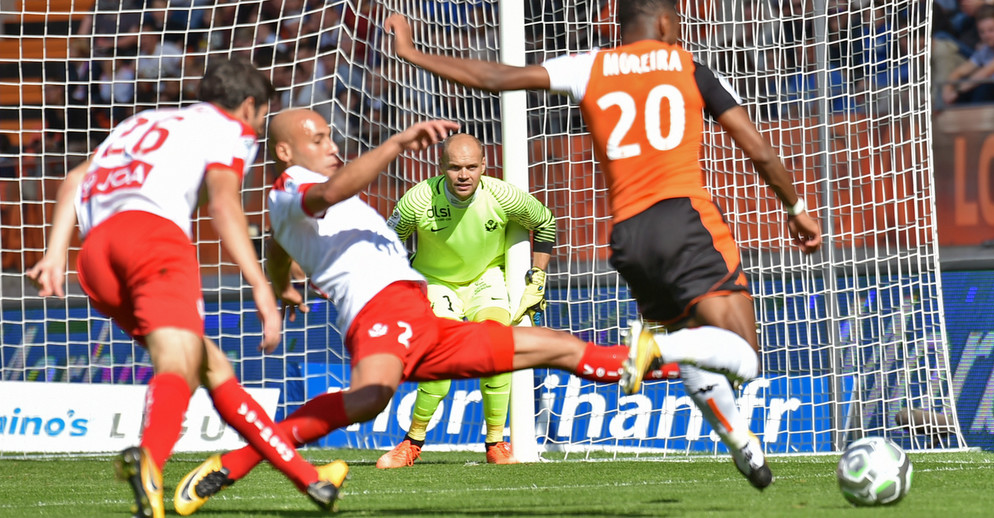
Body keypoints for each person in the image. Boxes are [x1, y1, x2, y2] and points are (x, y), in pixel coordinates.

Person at [171, 107, 743, 515]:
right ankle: (237, 462)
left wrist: (281, 286)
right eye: (318, 138)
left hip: (424, 318)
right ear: (286, 152)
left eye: (330, 137)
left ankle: (679, 365)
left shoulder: (291, 205)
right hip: (383, 314)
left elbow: (278, 243)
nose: (332, 145)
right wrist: (396, 144)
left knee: (553, 347)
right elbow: (326, 195)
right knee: (370, 401)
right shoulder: (296, 187)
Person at [384, 0, 822, 490]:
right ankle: (656, 348)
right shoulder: (687, 67)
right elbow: (755, 146)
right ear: (663, 21)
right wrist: (795, 205)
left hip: (630, 237)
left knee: (696, 351)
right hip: (686, 221)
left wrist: (412, 52)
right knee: (739, 351)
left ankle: (742, 445)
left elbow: (494, 77)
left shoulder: (589, 66)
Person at [25, 59, 348, 518]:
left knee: (209, 364)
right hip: (151, 241)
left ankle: (307, 478)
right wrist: (259, 283)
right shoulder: (230, 130)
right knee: (179, 360)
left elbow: (76, 179)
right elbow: (224, 205)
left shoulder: (142, 121)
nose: (257, 128)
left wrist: (56, 253)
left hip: (94, 257)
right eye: (260, 117)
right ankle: (151, 464)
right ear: (250, 105)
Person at [377, 133, 556, 468]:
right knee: (443, 356)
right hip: (435, 281)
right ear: (441, 166)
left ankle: (496, 444)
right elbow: (389, 244)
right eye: (456, 167)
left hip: (485, 280)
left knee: (496, 346)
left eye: (472, 167)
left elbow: (545, 222)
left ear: (484, 166)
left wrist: (539, 274)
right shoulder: (417, 201)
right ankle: (412, 443)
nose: (464, 175)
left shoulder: (502, 195)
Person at [942, 5, 994, 105]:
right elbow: (959, 71)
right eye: (982, 32)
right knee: (966, 92)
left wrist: (957, 91)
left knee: (983, 87)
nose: (986, 36)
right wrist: (947, 89)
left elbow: (986, 72)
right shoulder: (985, 49)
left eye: (991, 30)